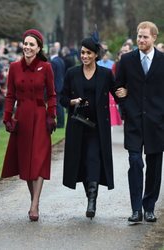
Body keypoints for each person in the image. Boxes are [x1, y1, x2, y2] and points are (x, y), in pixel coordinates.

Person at [60, 36, 123, 219]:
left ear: (96, 55)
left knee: (93, 159)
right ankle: (90, 196)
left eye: (88, 53)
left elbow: (117, 93)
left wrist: (125, 92)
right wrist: (72, 101)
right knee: (81, 163)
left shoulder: (105, 74)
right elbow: (62, 98)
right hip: (77, 125)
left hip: (97, 128)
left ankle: (92, 202)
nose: (84, 56)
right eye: (82, 53)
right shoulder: (72, 73)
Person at [1, 29, 56, 221]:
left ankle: (34, 206)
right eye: (25, 43)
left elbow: (51, 94)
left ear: (39, 47)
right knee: (26, 162)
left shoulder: (46, 67)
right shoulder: (15, 67)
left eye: (32, 44)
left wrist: (51, 115)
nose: (27, 47)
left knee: (38, 160)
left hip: (40, 118)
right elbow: (10, 95)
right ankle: (35, 199)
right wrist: (7, 118)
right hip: (22, 117)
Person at [115, 21, 164, 223]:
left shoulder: (163, 60)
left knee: (154, 167)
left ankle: (149, 206)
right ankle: (136, 209)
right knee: (135, 163)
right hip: (134, 121)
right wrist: (125, 101)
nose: (141, 40)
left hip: (156, 123)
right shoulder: (126, 60)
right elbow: (117, 89)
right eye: (139, 36)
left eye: (145, 36)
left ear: (154, 38)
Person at [49, 46, 65, 128]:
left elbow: (52, 76)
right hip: (61, 84)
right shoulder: (61, 60)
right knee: (60, 105)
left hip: (56, 85)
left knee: (58, 105)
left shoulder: (53, 62)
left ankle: (60, 123)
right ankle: (61, 122)